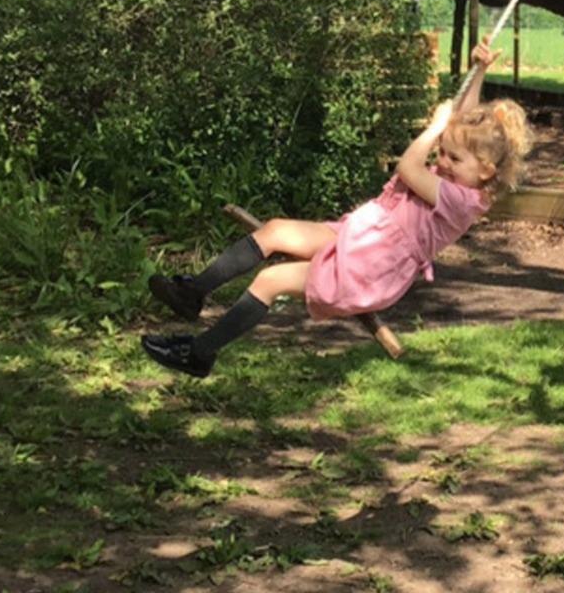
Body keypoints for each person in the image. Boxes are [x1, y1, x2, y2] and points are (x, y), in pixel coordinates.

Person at [141, 41, 531, 377]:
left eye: (453, 159)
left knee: (270, 280)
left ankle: (199, 353)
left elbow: (408, 168)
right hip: (361, 234)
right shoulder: (465, 175)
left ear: (486, 171)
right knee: (275, 230)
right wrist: (479, 71)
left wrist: (433, 129)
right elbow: (461, 127)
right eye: (442, 152)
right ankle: (193, 292)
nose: (442, 161)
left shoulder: (462, 202)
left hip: (372, 264)